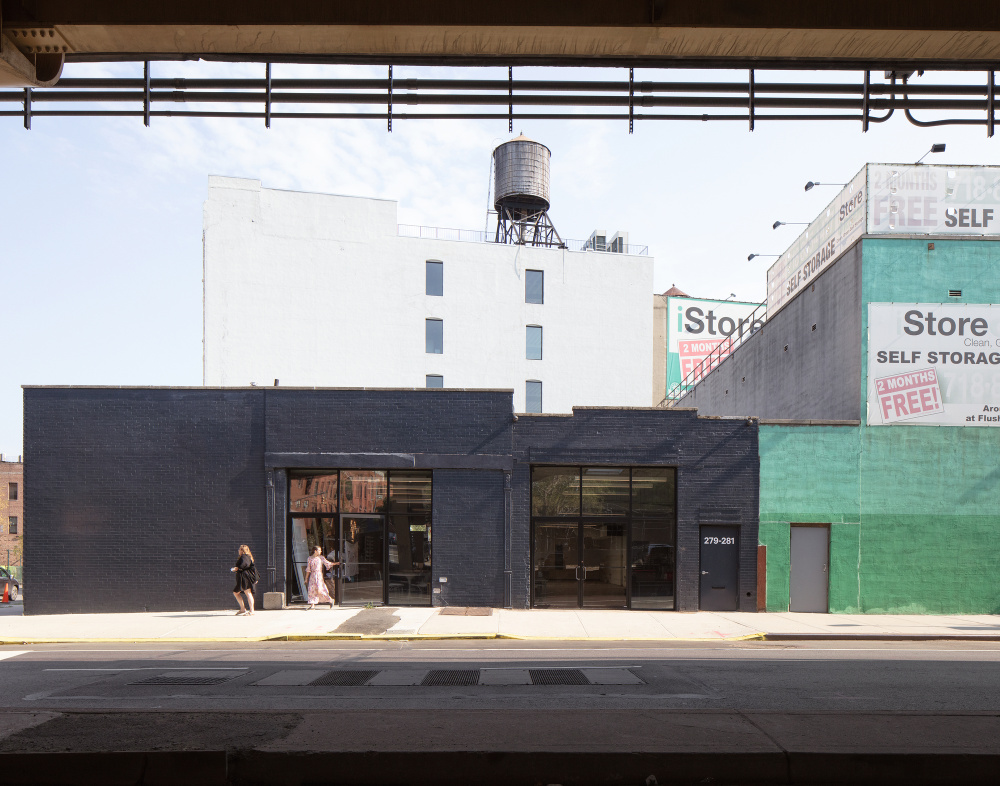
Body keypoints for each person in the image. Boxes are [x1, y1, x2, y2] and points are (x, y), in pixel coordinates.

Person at [304, 545, 340, 609]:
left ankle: (330, 600)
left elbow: (327, 563)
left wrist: (335, 563)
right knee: (312, 590)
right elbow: (308, 569)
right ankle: (312, 604)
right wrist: (306, 579)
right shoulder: (309, 558)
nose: (321, 551)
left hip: (319, 575)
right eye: (319, 550)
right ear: (315, 551)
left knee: (320, 589)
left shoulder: (321, 558)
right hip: (312, 576)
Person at [230, 544, 258, 616]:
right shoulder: (248, 557)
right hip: (244, 578)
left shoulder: (244, 556)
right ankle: (243, 609)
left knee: (248, 593)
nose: (238, 550)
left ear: (242, 550)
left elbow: (243, 565)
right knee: (236, 592)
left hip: (244, 578)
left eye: (239, 549)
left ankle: (251, 611)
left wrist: (236, 568)